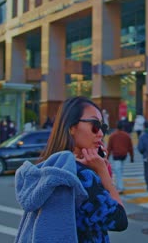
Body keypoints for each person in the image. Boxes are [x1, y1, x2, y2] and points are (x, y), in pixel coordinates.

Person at [14, 96, 128, 242]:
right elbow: (120, 220)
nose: (100, 133)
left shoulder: (51, 167)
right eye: (94, 125)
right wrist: (103, 173)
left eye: (103, 127)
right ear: (71, 127)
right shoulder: (81, 177)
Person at [107, 120, 134, 194]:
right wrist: (132, 157)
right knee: (120, 170)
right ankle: (120, 185)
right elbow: (130, 147)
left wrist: (107, 157)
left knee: (118, 170)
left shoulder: (112, 136)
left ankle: (120, 187)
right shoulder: (127, 136)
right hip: (124, 155)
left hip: (116, 156)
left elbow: (109, 148)